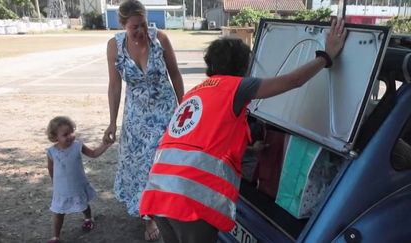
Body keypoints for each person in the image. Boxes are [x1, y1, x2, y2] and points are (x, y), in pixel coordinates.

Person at [139, 19, 348, 243]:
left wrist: (249, 149)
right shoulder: (237, 86)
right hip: (190, 198)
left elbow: (204, 141)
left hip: (159, 191)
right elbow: (293, 80)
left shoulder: (196, 92)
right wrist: (326, 56)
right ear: (243, 67)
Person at [102, 0, 184, 241]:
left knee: (164, 163)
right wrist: (111, 122)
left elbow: (175, 74)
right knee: (141, 168)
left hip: (166, 113)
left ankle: (168, 208)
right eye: (134, 27)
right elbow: (114, 86)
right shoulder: (114, 46)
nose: (141, 31)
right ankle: (148, 218)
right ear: (123, 25)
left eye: (144, 24)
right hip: (136, 118)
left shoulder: (160, 39)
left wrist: (183, 106)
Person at [46, 116, 111, 243]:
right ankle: (55, 236)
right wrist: (54, 182)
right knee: (58, 211)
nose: (70, 136)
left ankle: (88, 219)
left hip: (78, 184)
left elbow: (93, 154)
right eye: (65, 134)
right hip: (61, 188)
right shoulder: (51, 152)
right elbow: (51, 168)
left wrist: (105, 145)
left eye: (71, 132)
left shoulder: (77, 146)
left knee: (83, 203)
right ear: (55, 137)